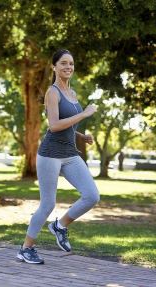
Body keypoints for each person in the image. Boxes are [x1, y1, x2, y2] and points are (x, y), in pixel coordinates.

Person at [16, 49, 100, 264]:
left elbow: (67, 123)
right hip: (51, 154)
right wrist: (84, 114)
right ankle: (26, 248)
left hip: (70, 153)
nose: (68, 67)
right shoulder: (52, 93)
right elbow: (54, 126)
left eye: (71, 63)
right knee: (47, 204)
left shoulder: (71, 92)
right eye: (63, 63)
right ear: (54, 67)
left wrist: (82, 135)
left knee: (91, 196)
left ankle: (59, 225)